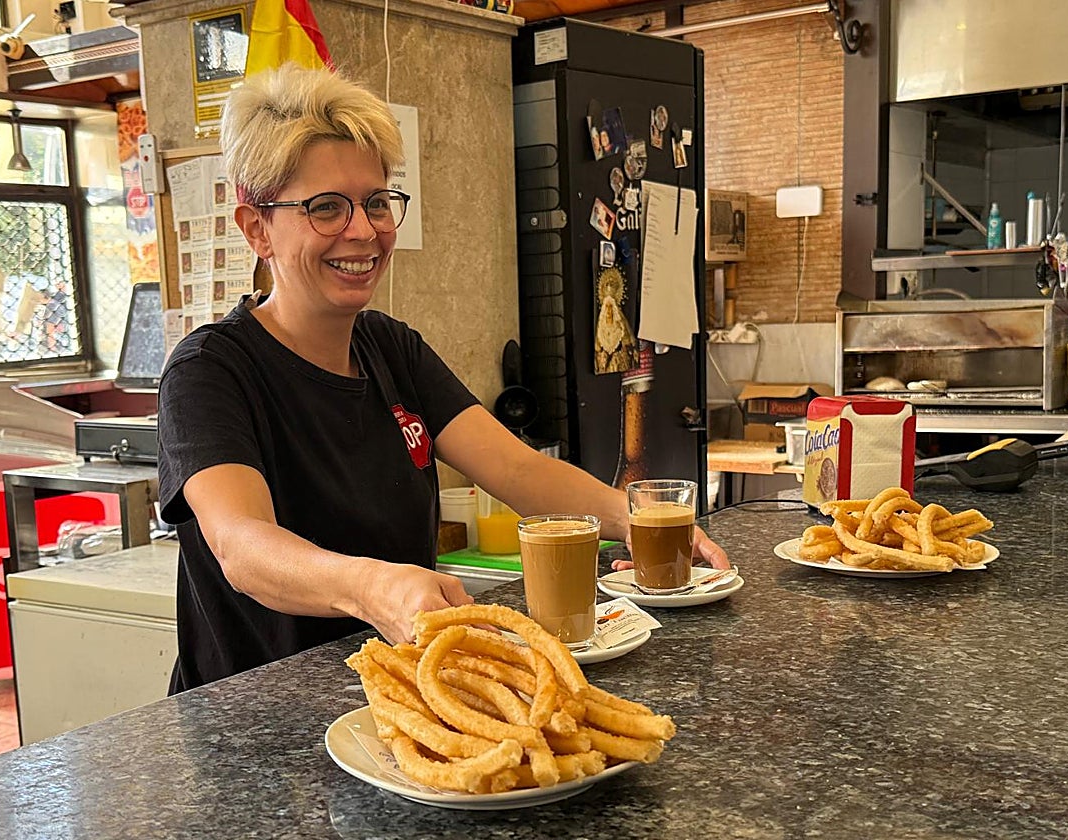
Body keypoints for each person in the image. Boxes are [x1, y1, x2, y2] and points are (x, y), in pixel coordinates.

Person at [157, 64, 728, 693]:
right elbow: (243, 548)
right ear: (256, 228)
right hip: (252, 725)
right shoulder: (209, 371)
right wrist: (375, 586)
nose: (363, 230)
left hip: (397, 697)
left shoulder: (392, 349)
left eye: (376, 201)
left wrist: (637, 518)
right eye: (325, 208)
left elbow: (520, 472)